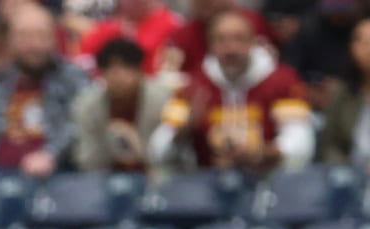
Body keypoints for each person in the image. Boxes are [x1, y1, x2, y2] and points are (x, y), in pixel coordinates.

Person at [150, 9, 313, 173]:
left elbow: (301, 141)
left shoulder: (282, 81)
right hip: (209, 185)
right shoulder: (194, 87)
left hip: (268, 181)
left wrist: (263, 154)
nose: (230, 49)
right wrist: (183, 130)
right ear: (210, 45)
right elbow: (158, 150)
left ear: (253, 42)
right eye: (221, 40)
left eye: (239, 39)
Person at [0, 1, 90, 176]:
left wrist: (51, 154)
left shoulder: (74, 79)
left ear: (54, 38)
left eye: (41, 35)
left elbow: (81, 126)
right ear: (11, 40)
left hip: (60, 177)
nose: (34, 45)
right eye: (25, 36)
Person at [72, 36, 175, 172]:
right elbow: (85, 159)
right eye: (110, 69)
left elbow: (172, 157)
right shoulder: (87, 106)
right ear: (102, 74)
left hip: (155, 176)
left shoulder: (162, 100)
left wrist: (137, 146)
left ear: (140, 71)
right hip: (105, 178)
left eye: (126, 67)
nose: (118, 76)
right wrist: (108, 143)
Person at [317, 17, 370, 166]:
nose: (367, 48)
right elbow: (329, 144)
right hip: (349, 176)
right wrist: (344, 167)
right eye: (361, 41)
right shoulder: (342, 92)